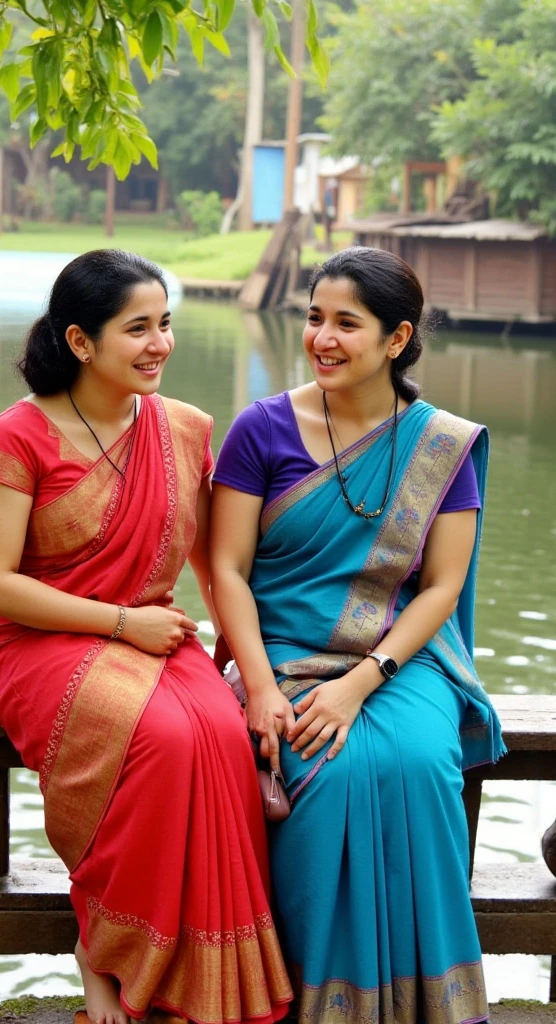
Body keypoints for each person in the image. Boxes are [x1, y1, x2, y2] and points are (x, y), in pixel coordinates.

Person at [0, 250, 293, 1024]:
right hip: (37, 638)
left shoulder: (183, 429)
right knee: (162, 739)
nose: (160, 345)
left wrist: (255, 679)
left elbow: (218, 569)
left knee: (215, 735)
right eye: (137, 328)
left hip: (154, 633)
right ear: (81, 342)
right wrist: (121, 622)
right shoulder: (17, 438)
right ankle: (106, 950)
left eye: (167, 325)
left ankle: (195, 976)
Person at [210, 247, 506, 1024]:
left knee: (414, 762)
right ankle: (318, 1004)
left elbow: (440, 584)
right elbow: (228, 569)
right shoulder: (262, 429)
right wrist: (265, 687)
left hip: (398, 659)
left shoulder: (439, 444)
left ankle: (428, 1007)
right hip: (277, 651)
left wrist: (360, 681)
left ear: (397, 338)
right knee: (327, 773)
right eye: (314, 318)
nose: (323, 338)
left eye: (348, 323)